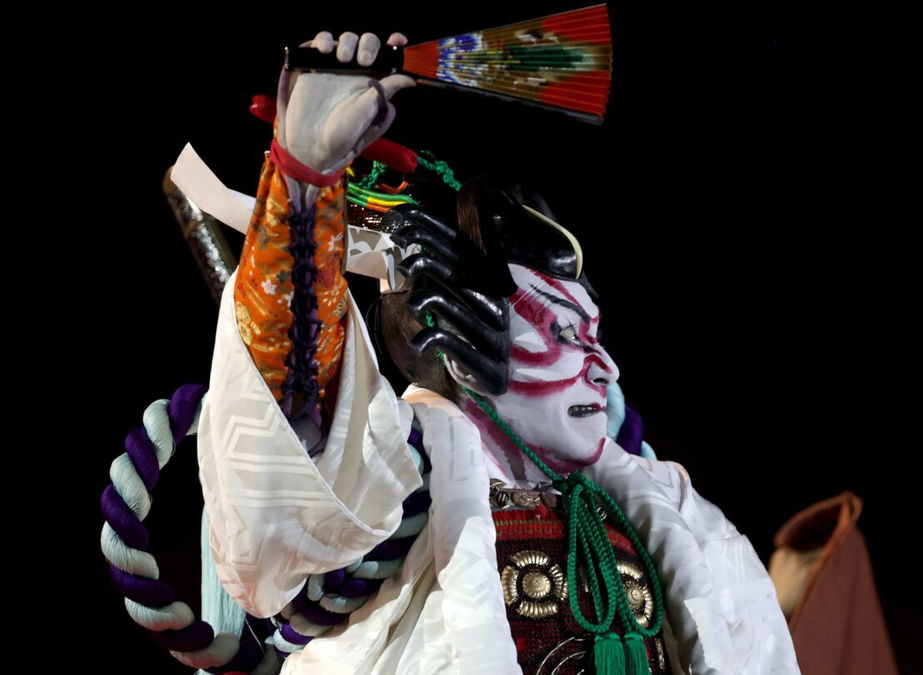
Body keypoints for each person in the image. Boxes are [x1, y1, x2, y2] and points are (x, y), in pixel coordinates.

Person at [196, 29, 801, 674]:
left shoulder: (663, 507)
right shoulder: (391, 495)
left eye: (594, 336)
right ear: (462, 346)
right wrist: (301, 182)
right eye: (566, 335)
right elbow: (292, 438)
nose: (606, 367)